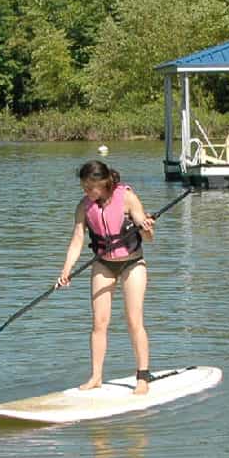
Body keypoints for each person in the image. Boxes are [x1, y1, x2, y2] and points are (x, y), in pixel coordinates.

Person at [56, 160, 157, 393]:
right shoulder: (83, 206)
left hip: (132, 263)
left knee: (134, 320)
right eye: (83, 187)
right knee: (99, 323)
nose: (86, 192)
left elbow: (149, 238)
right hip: (103, 264)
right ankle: (96, 377)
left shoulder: (127, 197)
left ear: (104, 183)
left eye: (89, 188)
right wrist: (66, 271)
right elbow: (77, 241)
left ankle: (142, 377)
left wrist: (146, 228)